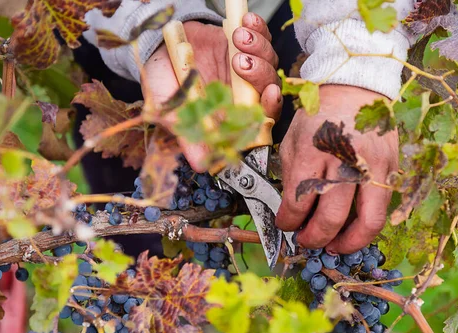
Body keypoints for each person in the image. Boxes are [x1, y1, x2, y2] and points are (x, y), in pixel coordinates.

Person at [84, 0, 416, 255]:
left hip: (298, 15)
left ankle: (327, 322)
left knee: (322, 199)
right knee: (138, 240)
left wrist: (354, 62)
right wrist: (145, 18)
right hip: (115, 37)